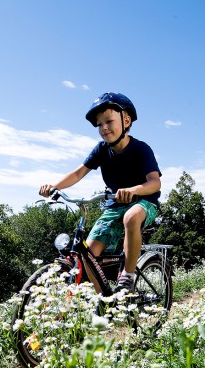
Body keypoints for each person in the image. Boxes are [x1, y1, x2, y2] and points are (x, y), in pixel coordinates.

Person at [39, 92, 161, 293]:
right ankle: (103, 301)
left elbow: (155, 183)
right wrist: (54, 186)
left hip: (144, 202)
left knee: (131, 217)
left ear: (126, 120)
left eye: (109, 121)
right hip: (114, 206)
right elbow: (78, 173)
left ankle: (128, 277)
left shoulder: (141, 149)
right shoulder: (101, 150)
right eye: (99, 124)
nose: (104, 127)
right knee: (88, 255)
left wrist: (133, 190)